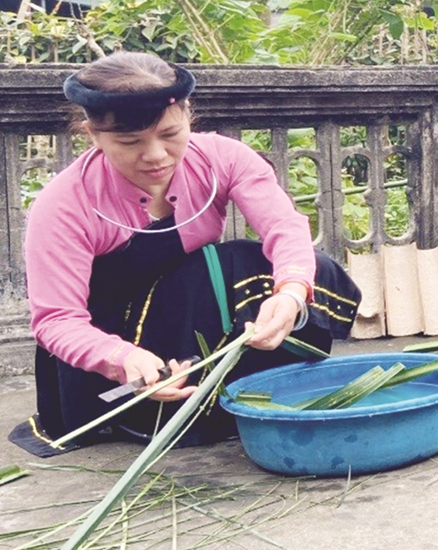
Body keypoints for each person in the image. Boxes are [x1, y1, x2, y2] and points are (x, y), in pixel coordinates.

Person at [18, 52, 360, 454]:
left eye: (169, 134)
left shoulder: (222, 158)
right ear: (92, 134)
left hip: (187, 309)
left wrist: (290, 292)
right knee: (228, 265)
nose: (156, 156)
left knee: (274, 267)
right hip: (114, 349)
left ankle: (249, 394)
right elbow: (57, 320)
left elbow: (284, 228)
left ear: (187, 113)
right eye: (130, 142)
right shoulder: (64, 204)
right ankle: (159, 408)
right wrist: (122, 357)